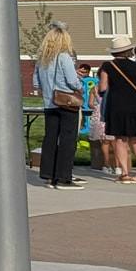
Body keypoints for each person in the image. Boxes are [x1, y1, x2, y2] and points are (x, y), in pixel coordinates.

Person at [98, 37, 136, 184]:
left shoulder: (108, 66)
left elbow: (103, 88)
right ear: (129, 50)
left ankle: (124, 174)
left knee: (120, 139)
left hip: (117, 106)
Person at [33, 23, 84, 190]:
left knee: (51, 138)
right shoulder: (64, 57)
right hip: (66, 102)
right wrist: (79, 85)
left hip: (49, 102)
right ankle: (64, 177)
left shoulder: (42, 59)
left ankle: (49, 174)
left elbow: (36, 82)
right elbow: (71, 80)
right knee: (68, 140)